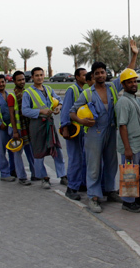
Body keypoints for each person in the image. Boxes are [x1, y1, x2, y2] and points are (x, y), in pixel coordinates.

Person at [70, 40, 139, 213]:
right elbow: (72, 112)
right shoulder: (87, 93)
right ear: (92, 76)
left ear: (105, 73)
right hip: (94, 133)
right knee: (94, 165)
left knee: (111, 162)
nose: (100, 75)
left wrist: (135, 55)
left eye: (102, 72)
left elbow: (127, 74)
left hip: (110, 130)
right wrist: (82, 121)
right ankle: (94, 197)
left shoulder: (112, 89)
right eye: (97, 73)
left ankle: (109, 190)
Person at [22, 67, 67, 189]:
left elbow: (59, 100)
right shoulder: (28, 93)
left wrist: (59, 107)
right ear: (32, 77)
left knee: (57, 149)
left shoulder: (48, 89)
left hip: (49, 124)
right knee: (38, 152)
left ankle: (63, 175)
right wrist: (40, 111)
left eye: (41, 75)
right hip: (37, 124)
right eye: (36, 75)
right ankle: (43, 177)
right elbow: (25, 110)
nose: (39, 77)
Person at [116, 68, 140, 213]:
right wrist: (127, 148)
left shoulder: (134, 99)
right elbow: (122, 126)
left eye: (135, 81)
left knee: (139, 172)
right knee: (130, 173)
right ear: (123, 85)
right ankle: (128, 202)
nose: (133, 84)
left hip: (139, 144)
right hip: (130, 146)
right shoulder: (124, 101)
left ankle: (139, 196)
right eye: (129, 82)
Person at [60, 68, 88, 200]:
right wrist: (65, 127)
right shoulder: (73, 90)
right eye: (83, 75)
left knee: (83, 158)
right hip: (73, 130)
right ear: (77, 77)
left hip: (83, 130)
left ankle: (80, 183)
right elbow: (66, 109)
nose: (86, 77)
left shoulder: (85, 91)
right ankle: (71, 188)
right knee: (75, 159)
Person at [7, 71, 37, 186]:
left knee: (31, 152)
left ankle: (35, 173)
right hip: (18, 129)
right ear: (14, 81)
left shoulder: (27, 93)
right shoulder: (12, 96)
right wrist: (15, 131)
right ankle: (22, 177)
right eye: (19, 80)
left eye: (23, 79)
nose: (22, 82)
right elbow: (11, 115)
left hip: (27, 128)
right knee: (17, 154)